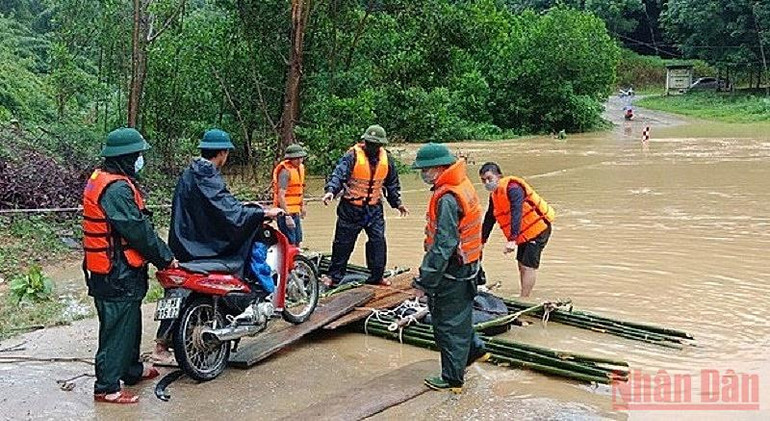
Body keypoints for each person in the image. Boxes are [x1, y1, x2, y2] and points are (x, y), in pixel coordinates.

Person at [152, 129, 283, 363]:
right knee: (245, 257)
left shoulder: (190, 173)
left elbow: (217, 207)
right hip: (203, 246)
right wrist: (262, 212)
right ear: (222, 153)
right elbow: (230, 213)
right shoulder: (208, 174)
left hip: (184, 244)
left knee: (175, 294)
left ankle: (162, 344)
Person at [82, 128, 178, 404]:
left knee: (129, 323)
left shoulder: (105, 179)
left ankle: (130, 370)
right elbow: (137, 230)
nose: (140, 160)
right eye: (137, 155)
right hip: (115, 273)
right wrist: (166, 257)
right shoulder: (116, 189)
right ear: (124, 158)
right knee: (116, 328)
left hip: (119, 269)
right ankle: (107, 387)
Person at [411, 143, 490, 393]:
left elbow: (443, 245)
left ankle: (452, 378)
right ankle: (475, 350)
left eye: (424, 170)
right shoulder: (462, 185)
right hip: (469, 265)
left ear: (437, 168)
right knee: (460, 316)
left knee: (446, 324)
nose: (422, 174)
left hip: (452, 270)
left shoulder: (446, 198)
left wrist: (424, 281)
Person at [320, 125, 408, 287]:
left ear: (381, 145)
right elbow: (339, 174)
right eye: (369, 143)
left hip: (374, 209)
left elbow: (392, 184)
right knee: (343, 244)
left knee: (377, 242)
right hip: (351, 208)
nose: (372, 147)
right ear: (364, 141)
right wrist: (331, 191)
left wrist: (397, 204)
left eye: (376, 144)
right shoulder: (352, 156)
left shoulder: (386, 159)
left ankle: (377, 276)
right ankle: (334, 276)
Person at [479, 162, 554, 297]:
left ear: (499, 176)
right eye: (483, 180)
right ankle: (524, 293)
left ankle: (525, 299)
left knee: (528, 265)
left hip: (538, 229)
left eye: (489, 178)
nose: (487, 183)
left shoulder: (513, 188)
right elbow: (490, 217)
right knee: (521, 263)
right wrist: (482, 241)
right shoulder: (494, 195)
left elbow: (516, 211)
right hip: (524, 232)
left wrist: (512, 240)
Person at [272, 144, 307, 246]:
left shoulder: (299, 169)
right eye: (296, 158)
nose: (299, 161)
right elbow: (281, 195)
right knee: (289, 241)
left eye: (300, 158)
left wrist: (302, 206)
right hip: (285, 213)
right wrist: (287, 216)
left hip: (295, 212)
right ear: (290, 159)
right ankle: (290, 261)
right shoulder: (285, 172)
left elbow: (299, 190)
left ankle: (297, 259)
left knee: (298, 240)